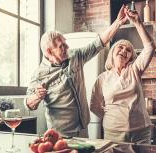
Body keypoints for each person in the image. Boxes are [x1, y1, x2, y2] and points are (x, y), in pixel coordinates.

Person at [24, 5, 128, 137]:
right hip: (61, 134)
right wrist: (37, 97)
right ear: (49, 51)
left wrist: (118, 22)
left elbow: (98, 43)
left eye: (65, 43)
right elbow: (28, 104)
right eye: (62, 46)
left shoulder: (75, 56)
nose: (67, 47)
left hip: (83, 127)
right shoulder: (40, 74)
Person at [90, 8, 156, 143]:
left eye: (128, 50)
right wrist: (112, 117)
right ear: (112, 52)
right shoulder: (102, 78)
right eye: (120, 47)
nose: (124, 50)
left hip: (140, 131)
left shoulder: (135, 70)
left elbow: (150, 47)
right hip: (113, 132)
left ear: (131, 57)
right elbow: (94, 106)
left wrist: (138, 23)